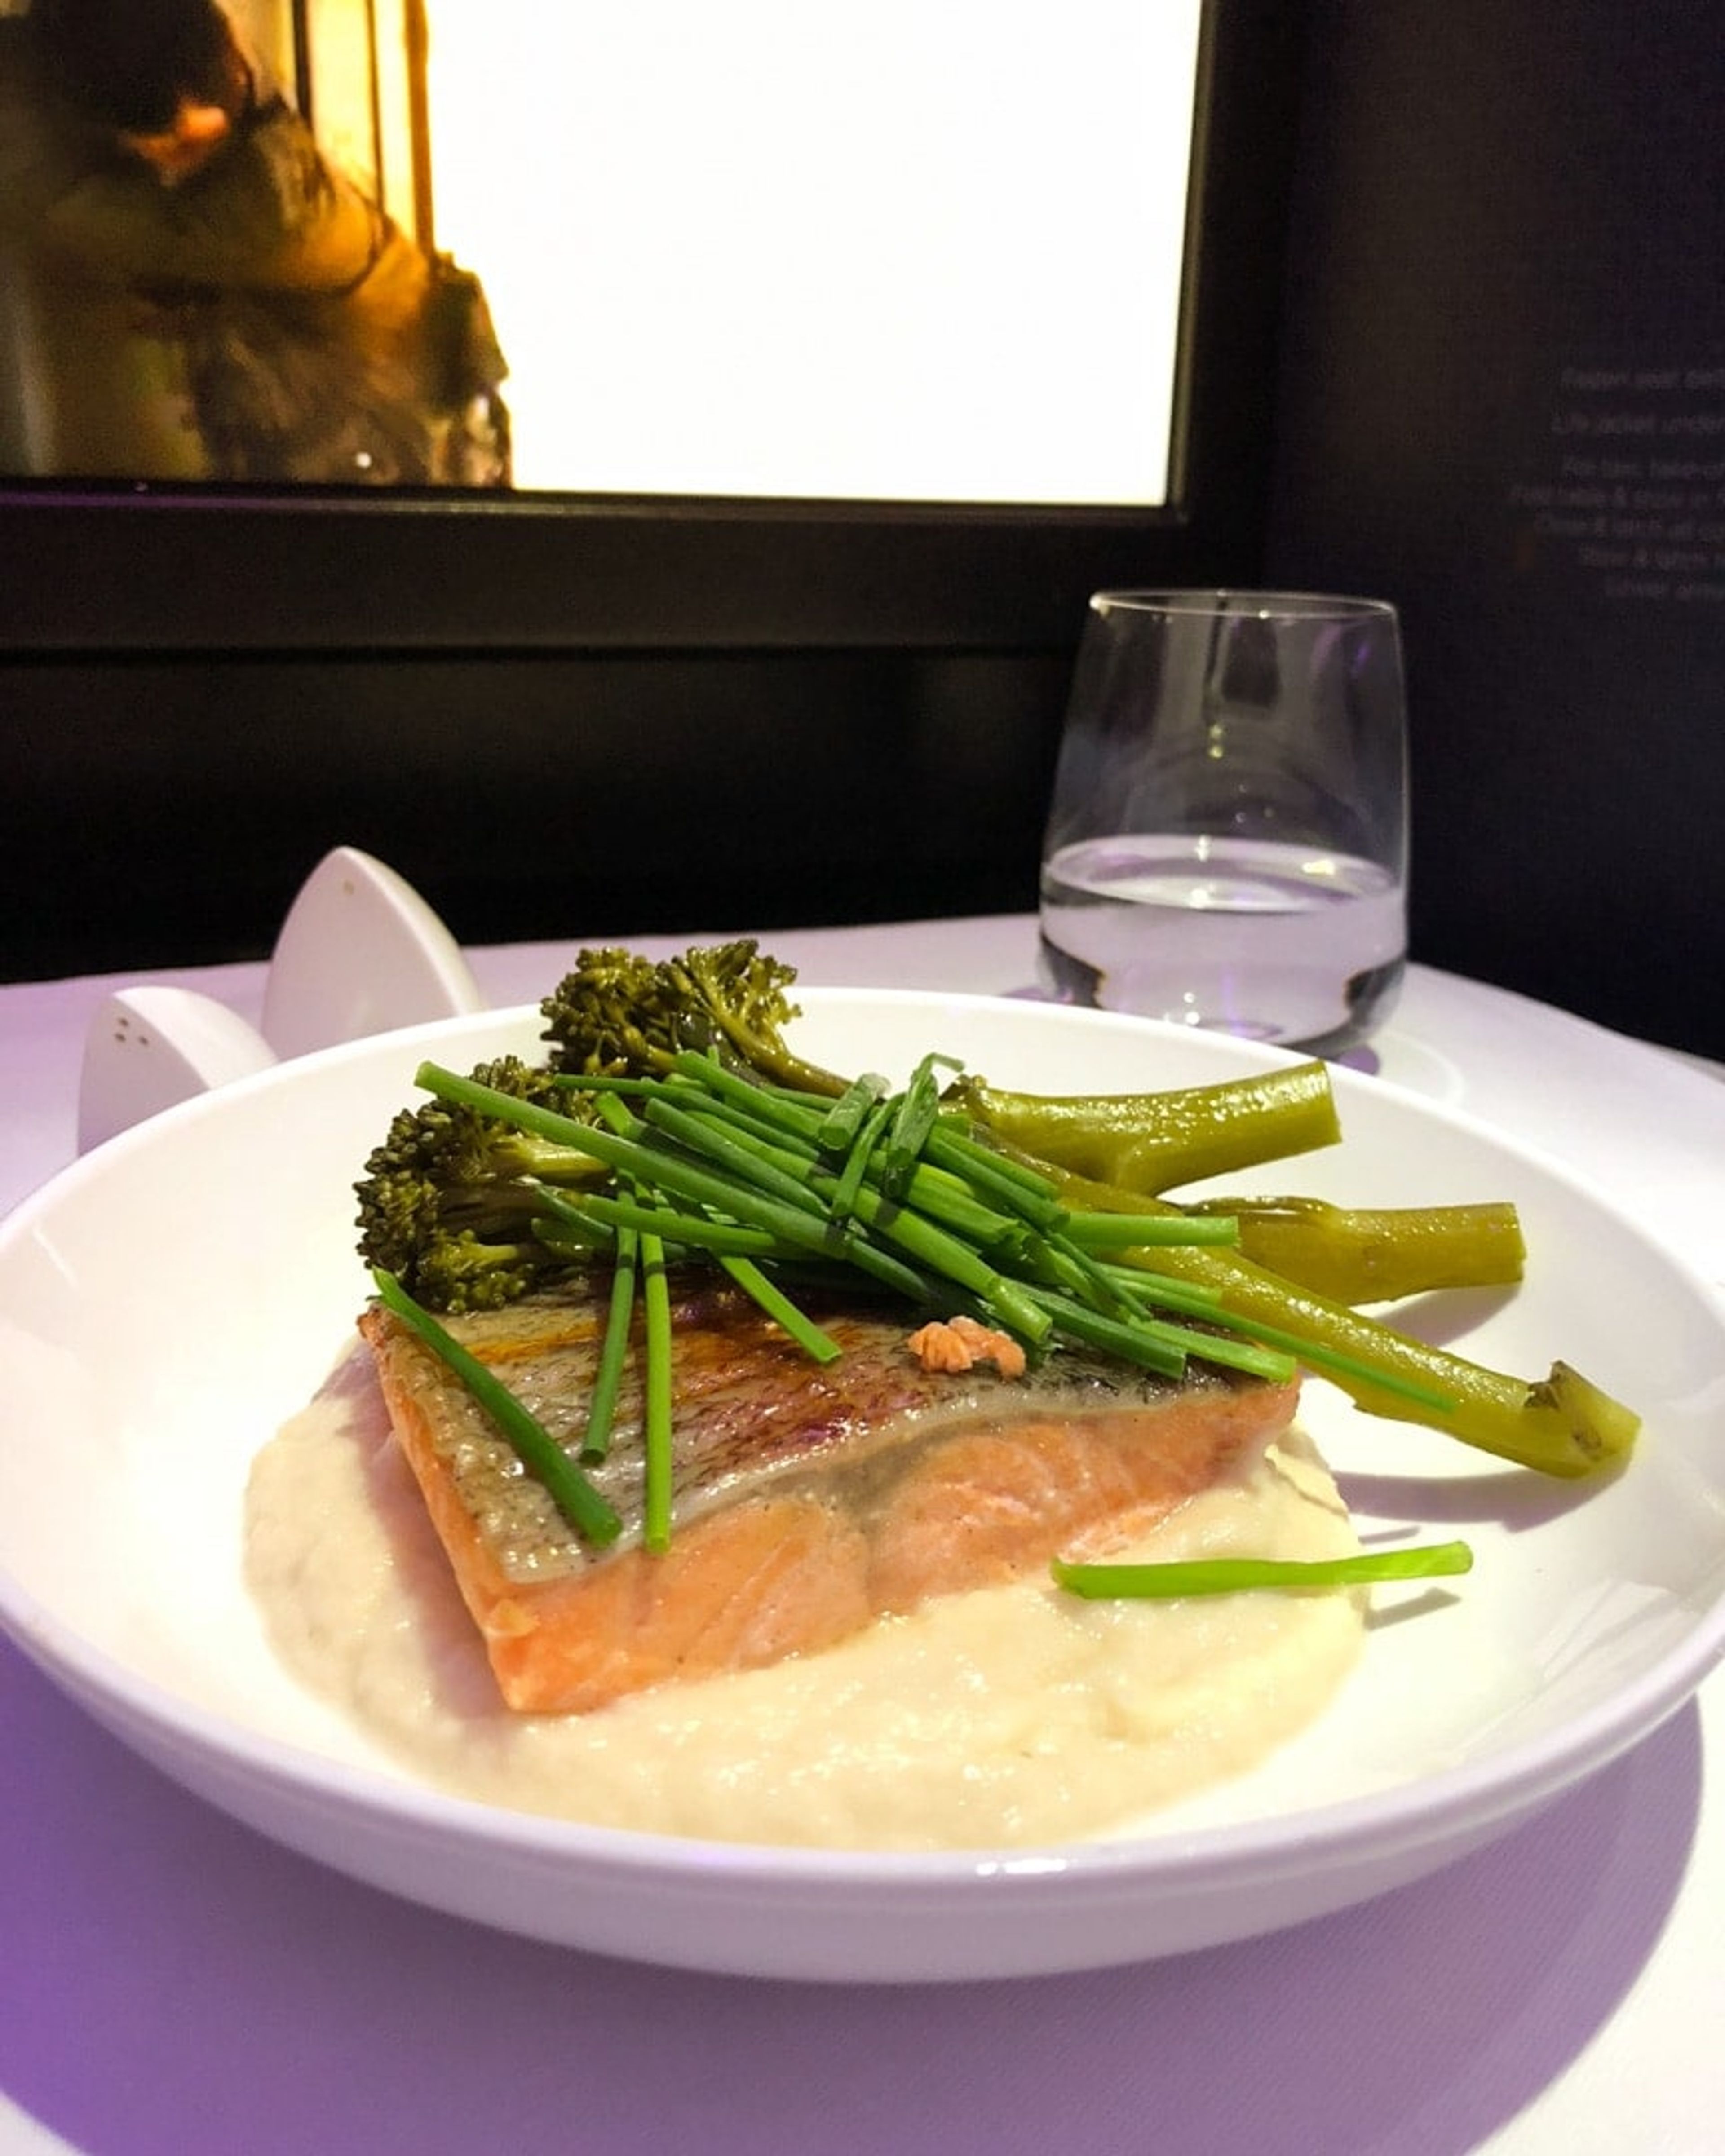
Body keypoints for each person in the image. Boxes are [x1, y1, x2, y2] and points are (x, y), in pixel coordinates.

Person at [0, 0, 509, 485]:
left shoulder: (266, 219)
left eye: (163, 147)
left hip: (374, 505)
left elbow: (60, 207)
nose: (158, 165)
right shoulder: (249, 112)